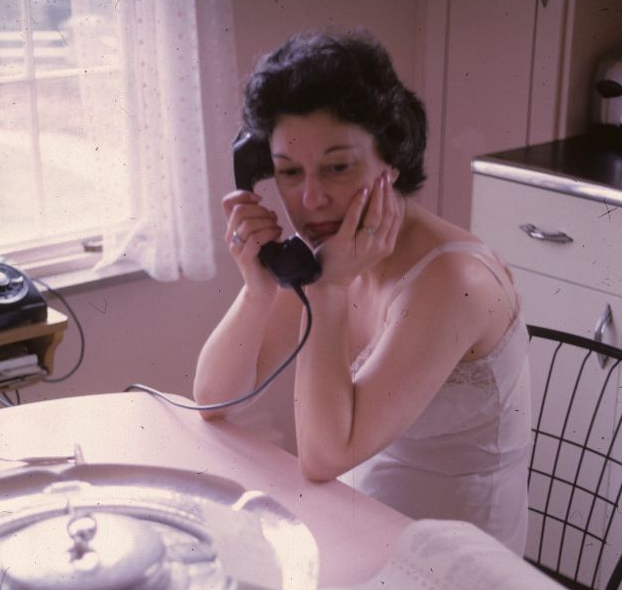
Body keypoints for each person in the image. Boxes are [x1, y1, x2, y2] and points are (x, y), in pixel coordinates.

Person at [193, 30, 531, 554]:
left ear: (390, 160)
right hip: (363, 531)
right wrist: (259, 288)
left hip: (463, 572)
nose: (310, 198)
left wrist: (327, 291)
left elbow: (323, 457)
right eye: (287, 172)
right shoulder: (334, 254)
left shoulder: (453, 282)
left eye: (337, 167)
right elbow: (213, 399)